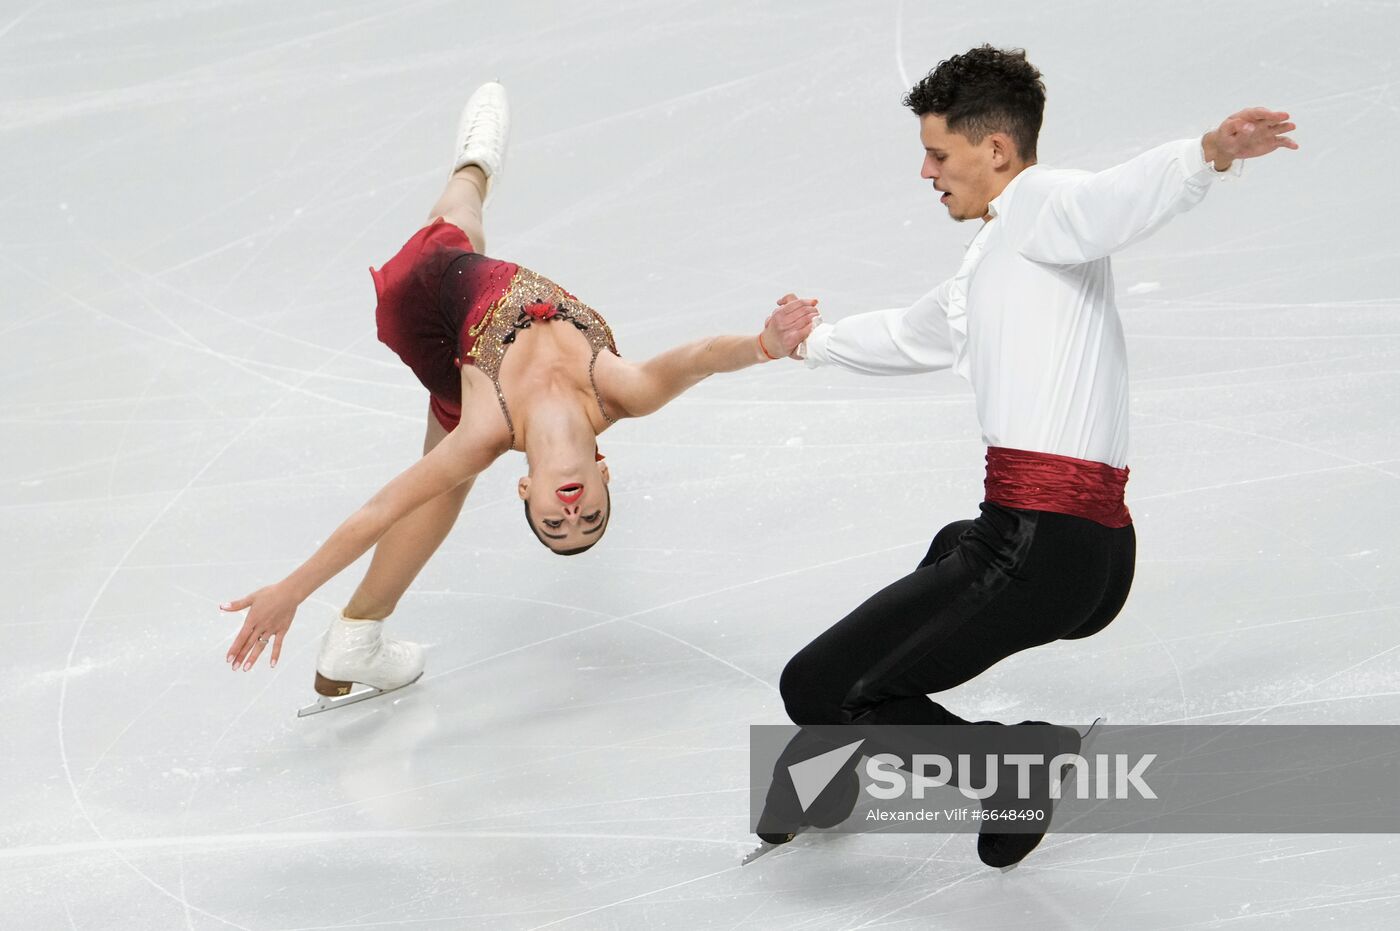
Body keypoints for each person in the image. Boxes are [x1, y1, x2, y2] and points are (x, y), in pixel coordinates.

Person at [754, 45, 1297, 868]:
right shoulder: (999, 254)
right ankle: (846, 759)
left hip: (1037, 547)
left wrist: (1207, 154)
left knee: (816, 685)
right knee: (944, 552)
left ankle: (1012, 762)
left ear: (996, 151)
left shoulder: (1043, 204)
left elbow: (1113, 199)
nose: (927, 172)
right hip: (1086, 553)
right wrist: (810, 344)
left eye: (938, 153)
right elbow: (913, 332)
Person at [218, 82, 818, 714]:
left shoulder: (485, 433)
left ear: (525, 491)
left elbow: (378, 510)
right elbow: (700, 359)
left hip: (429, 303)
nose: (571, 511)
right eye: (589, 517)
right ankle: (358, 637)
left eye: (554, 523)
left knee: (453, 236)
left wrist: (291, 589)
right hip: (477, 331)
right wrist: (765, 344)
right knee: (468, 221)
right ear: (603, 475)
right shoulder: (624, 393)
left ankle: (357, 631)